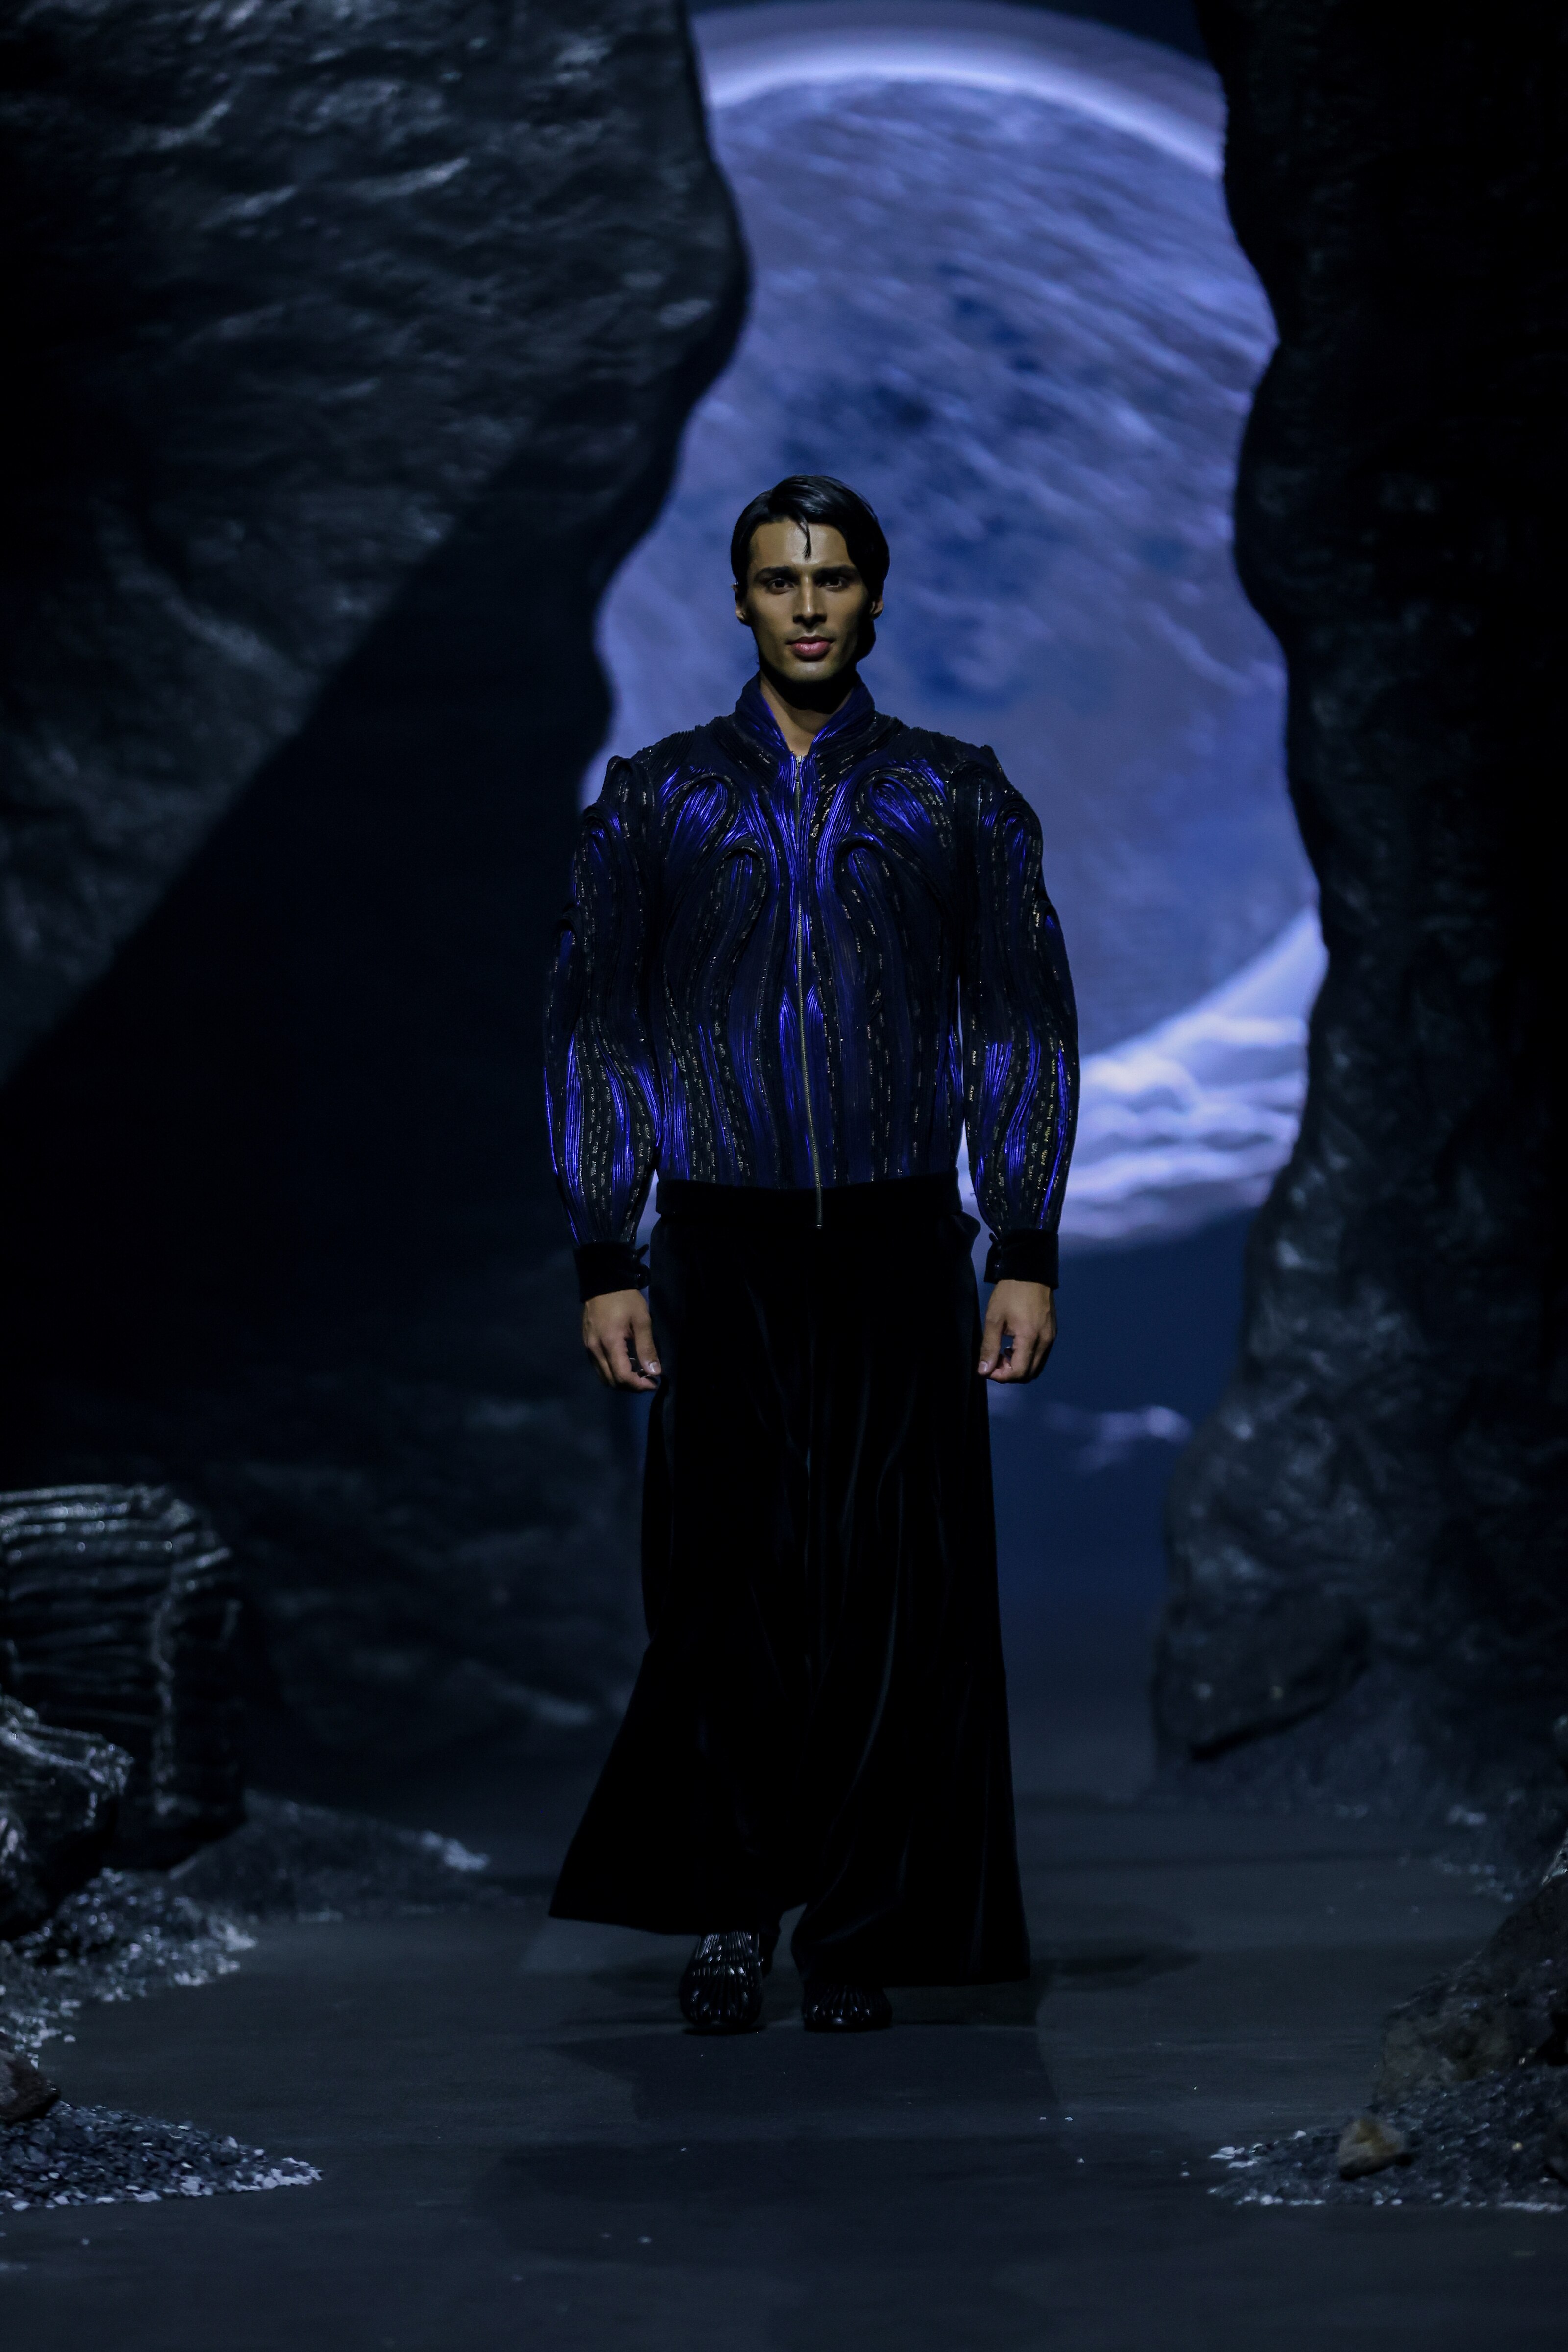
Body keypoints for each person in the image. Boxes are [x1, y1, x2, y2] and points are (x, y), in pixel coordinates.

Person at [544, 475, 1078, 2034]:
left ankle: (860, 1925)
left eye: (833, 577)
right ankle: (733, 1905)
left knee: (893, 1597)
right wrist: (605, 1248)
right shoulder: (653, 801)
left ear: (874, 597)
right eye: (779, 579)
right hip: (720, 1244)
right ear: (740, 602)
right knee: (726, 1591)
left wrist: (1025, 1239)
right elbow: (599, 1028)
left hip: (904, 1242)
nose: (808, 604)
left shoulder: (956, 796)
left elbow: (1021, 1021)